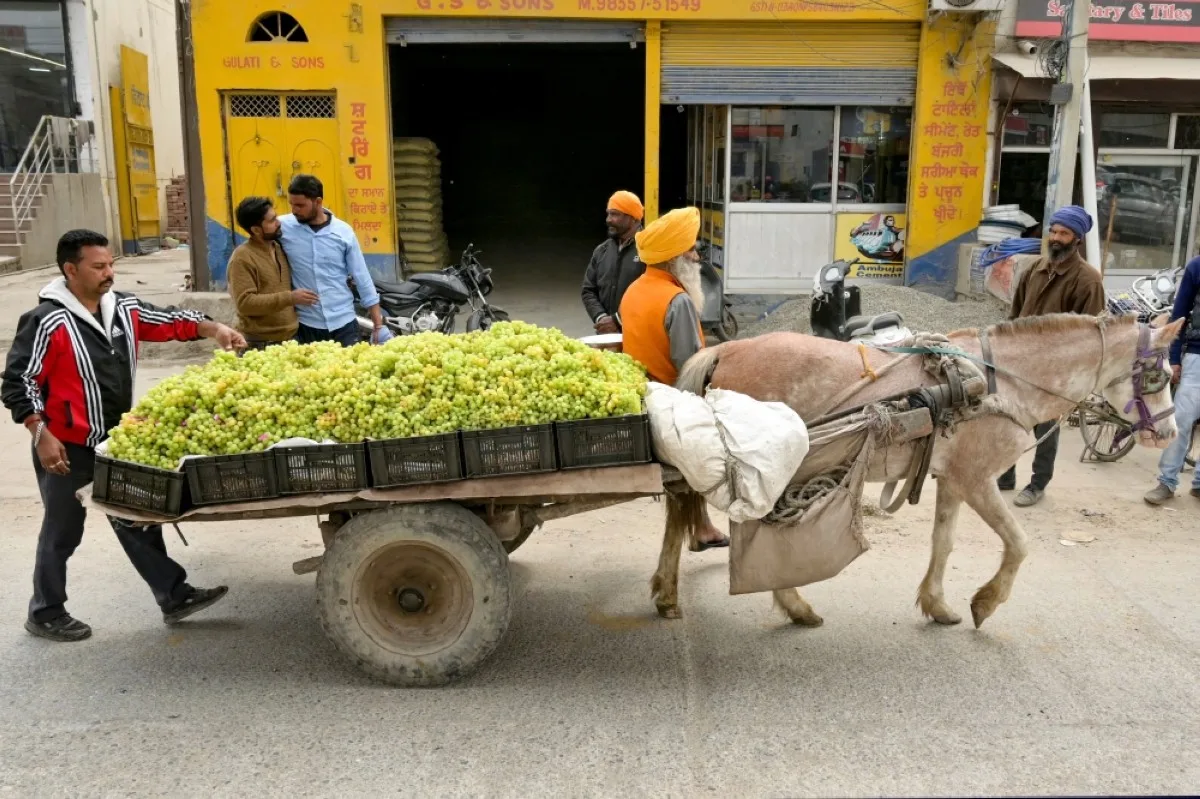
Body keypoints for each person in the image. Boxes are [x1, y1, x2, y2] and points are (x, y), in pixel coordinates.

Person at [1, 229, 247, 642]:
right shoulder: (47, 320)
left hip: (114, 441)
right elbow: (17, 382)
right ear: (70, 269)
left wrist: (214, 329)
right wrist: (39, 431)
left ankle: (174, 595)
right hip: (66, 445)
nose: (109, 273)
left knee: (138, 517)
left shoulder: (122, 308)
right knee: (63, 530)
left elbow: (169, 320)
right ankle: (45, 611)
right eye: (99, 267)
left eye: (111, 264)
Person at [619, 206, 727, 550]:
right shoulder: (676, 300)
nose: (697, 258)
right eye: (691, 251)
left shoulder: (634, 290)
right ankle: (705, 526)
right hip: (670, 403)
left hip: (641, 395)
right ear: (673, 260)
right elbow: (689, 366)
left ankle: (702, 527)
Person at [999, 205, 1107, 507]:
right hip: (1020, 364)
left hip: (1056, 372)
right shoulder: (1035, 268)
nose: (1056, 238)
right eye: (1054, 231)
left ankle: (1037, 484)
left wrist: (1073, 382)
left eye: (1064, 233)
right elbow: (1014, 315)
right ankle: (1005, 475)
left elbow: (1091, 336)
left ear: (1077, 240)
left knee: (1046, 428)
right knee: (1011, 420)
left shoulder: (1088, 280)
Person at [279, 174, 383, 346]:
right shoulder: (283, 227)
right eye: (291, 204)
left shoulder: (343, 232)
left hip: (344, 323)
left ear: (318, 201)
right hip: (306, 325)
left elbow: (361, 276)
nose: (294, 210)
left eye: (300, 205)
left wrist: (378, 326)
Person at [1143, 252, 1200, 505]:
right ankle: (1166, 481)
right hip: (1197, 356)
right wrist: (1175, 357)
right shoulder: (1196, 267)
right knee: (1182, 419)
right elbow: (1180, 313)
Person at [227, 196, 318, 350]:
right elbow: (245, 304)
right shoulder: (242, 258)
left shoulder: (278, 248)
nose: (279, 223)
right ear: (256, 230)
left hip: (290, 340)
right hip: (259, 345)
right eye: (272, 221)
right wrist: (290, 297)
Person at [581, 191, 644, 335]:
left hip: (639, 336)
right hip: (606, 337)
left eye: (615, 214)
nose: (609, 219)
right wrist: (601, 317)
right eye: (608, 214)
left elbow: (654, 295)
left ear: (633, 218)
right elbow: (588, 290)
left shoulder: (649, 251)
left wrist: (618, 320)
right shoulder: (601, 251)